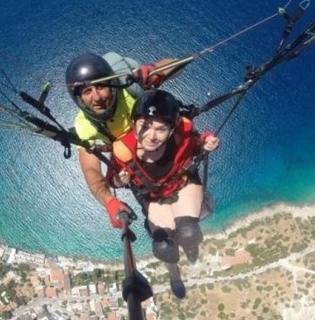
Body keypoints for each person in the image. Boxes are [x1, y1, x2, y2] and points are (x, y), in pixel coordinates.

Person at [105, 89, 220, 299]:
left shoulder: (181, 136)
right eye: (145, 126)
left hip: (182, 184)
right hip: (154, 197)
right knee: (164, 248)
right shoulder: (123, 151)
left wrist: (208, 140)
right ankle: (174, 275)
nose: (151, 136)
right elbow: (111, 177)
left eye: (161, 129)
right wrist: (117, 181)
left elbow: (197, 141)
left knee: (188, 233)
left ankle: (190, 245)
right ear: (134, 124)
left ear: (171, 129)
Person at [65, 52, 177, 212]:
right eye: (87, 92)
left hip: (160, 144)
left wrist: (153, 72)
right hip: (136, 164)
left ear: (111, 83)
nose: (96, 97)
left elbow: (175, 64)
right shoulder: (84, 125)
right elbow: (91, 171)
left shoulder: (129, 89)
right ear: (80, 99)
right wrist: (109, 201)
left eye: (101, 86)